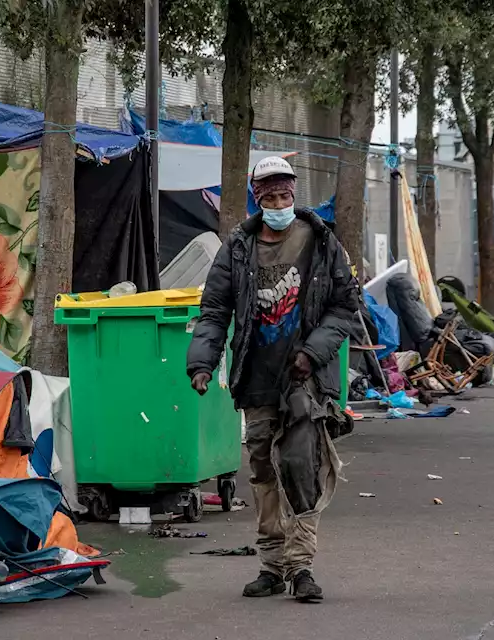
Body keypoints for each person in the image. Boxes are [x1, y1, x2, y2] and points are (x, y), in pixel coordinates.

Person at [186, 156, 355, 602]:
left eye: (285, 195)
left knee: (300, 465)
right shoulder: (238, 247)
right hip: (255, 374)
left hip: (304, 377)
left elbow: (343, 309)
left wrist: (312, 353)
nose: (279, 203)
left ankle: (301, 567)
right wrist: (201, 364)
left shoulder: (321, 241)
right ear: (257, 199)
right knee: (262, 470)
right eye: (270, 196)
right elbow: (215, 310)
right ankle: (272, 564)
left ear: (294, 194)